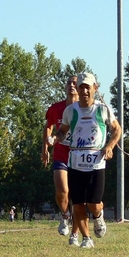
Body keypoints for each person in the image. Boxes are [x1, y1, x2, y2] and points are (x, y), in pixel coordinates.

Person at [52, 72, 122, 248]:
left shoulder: (102, 109)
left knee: (94, 204)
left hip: (96, 163)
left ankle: (99, 217)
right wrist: (55, 138)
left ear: (95, 88)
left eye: (87, 87)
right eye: (81, 87)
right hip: (75, 162)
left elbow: (117, 130)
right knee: (78, 204)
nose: (83, 91)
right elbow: (63, 131)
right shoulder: (71, 111)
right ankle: (86, 238)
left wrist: (110, 146)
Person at [41, 75, 80, 245]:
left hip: (80, 157)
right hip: (61, 154)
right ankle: (65, 215)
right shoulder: (56, 108)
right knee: (61, 191)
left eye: (75, 83)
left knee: (79, 199)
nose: (71, 85)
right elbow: (48, 126)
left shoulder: (86, 108)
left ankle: (75, 234)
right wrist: (45, 149)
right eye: (69, 83)